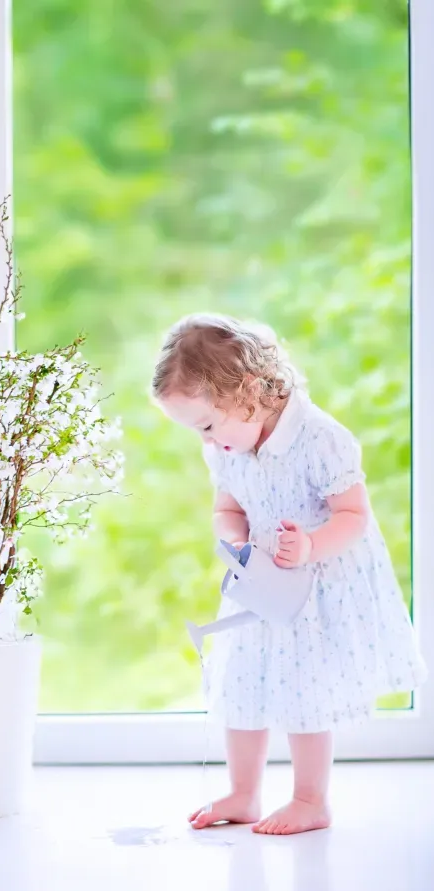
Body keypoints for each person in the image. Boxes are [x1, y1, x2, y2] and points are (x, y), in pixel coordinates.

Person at [152, 313, 427, 835]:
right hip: (262, 583)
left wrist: (309, 546)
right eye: (197, 433)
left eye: (207, 425)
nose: (207, 443)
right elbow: (227, 509)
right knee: (240, 684)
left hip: (315, 584)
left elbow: (353, 515)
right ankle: (243, 791)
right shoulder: (227, 447)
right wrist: (234, 542)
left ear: (250, 391)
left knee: (306, 692)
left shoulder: (321, 438)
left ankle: (310, 799)